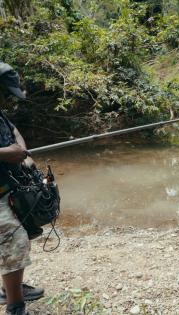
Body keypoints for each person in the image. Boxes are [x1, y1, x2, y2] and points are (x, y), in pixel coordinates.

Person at [0, 62, 44, 315]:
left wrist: (22, 153)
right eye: (5, 93)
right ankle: (15, 307)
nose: (7, 100)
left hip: (8, 190)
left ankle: (10, 288)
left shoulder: (0, 112)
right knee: (13, 241)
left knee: (16, 239)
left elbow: (13, 130)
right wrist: (8, 154)